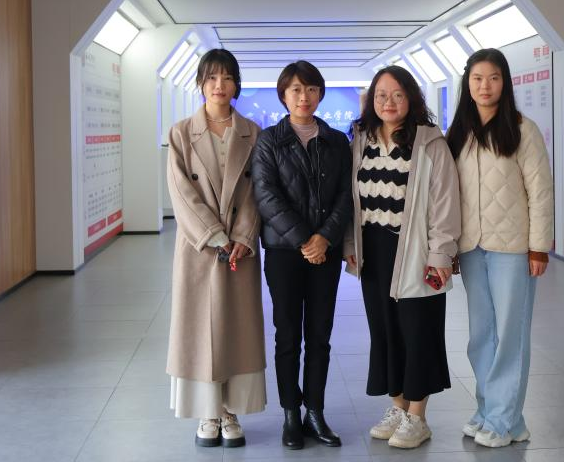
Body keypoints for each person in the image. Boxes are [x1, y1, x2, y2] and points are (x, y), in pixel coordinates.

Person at [343, 65, 461, 450]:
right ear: (371, 100)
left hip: (416, 250)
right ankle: (397, 407)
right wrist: (350, 247)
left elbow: (445, 203)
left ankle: (418, 417)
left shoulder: (429, 143)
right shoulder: (361, 140)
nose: (389, 102)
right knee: (385, 331)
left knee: (419, 330)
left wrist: (440, 254)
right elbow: (351, 200)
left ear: (411, 97)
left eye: (397, 94)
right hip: (373, 251)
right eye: (381, 95)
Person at [447, 48, 553, 448]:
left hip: (513, 247)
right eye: (477, 78)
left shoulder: (523, 130)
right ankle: (493, 411)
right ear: (467, 84)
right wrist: (450, 245)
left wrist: (539, 247)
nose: (485, 86)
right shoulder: (459, 132)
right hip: (472, 246)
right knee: (481, 334)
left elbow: (540, 192)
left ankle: (503, 419)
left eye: (493, 78)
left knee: (511, 334)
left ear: (504, 82)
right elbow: (450, 194)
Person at [250, 60, 353, 450]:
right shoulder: (269, 141)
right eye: (295, 89)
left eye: (311, 89)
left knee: (320, 336)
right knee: (288, 335)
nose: (303, 96)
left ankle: (315, 412)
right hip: (284, 252)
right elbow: (266, 196)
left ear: (320, 93)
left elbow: (346, 195)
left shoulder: (336, 141)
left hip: (325, 252)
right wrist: (304, 240)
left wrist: (324, 238)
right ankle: (291, 414)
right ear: (283, 95)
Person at [166, 49, 266, 448]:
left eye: (226, 78)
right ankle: (208, 412)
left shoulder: (253, 132)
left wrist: (243, 236)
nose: (219, 85)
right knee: (198, 330)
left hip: (240, 250)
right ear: (200, 83)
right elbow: (181, 193)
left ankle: (230, 410)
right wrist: (216, 236)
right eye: (211, 78)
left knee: (235, 330)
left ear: (237, 84)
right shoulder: (180, 133)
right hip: (200, 248)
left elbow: (258, 191)